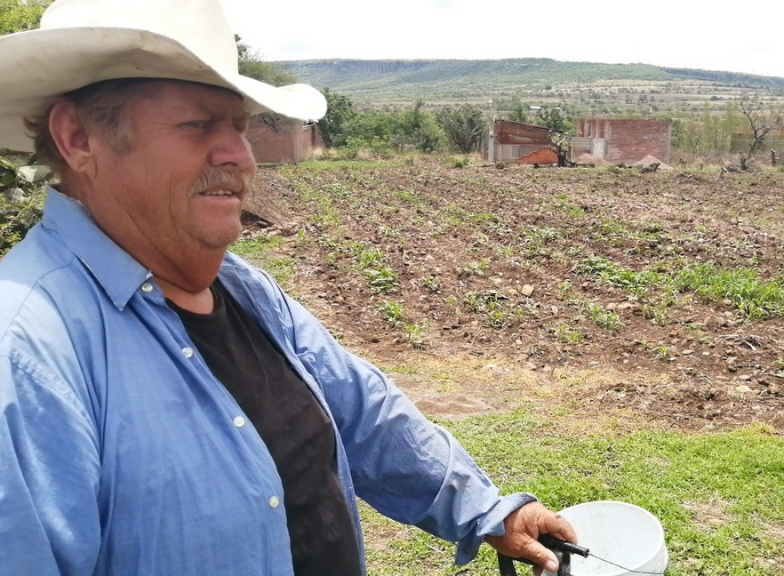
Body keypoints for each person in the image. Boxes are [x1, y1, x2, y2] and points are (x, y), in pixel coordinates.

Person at [0, 0, 575, 574]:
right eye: (198, 124)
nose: (239, 156)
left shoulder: (245, 291)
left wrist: (486, 510)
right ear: (78, 138)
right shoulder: (26, 351)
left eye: (240, 127)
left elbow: (365, 415)